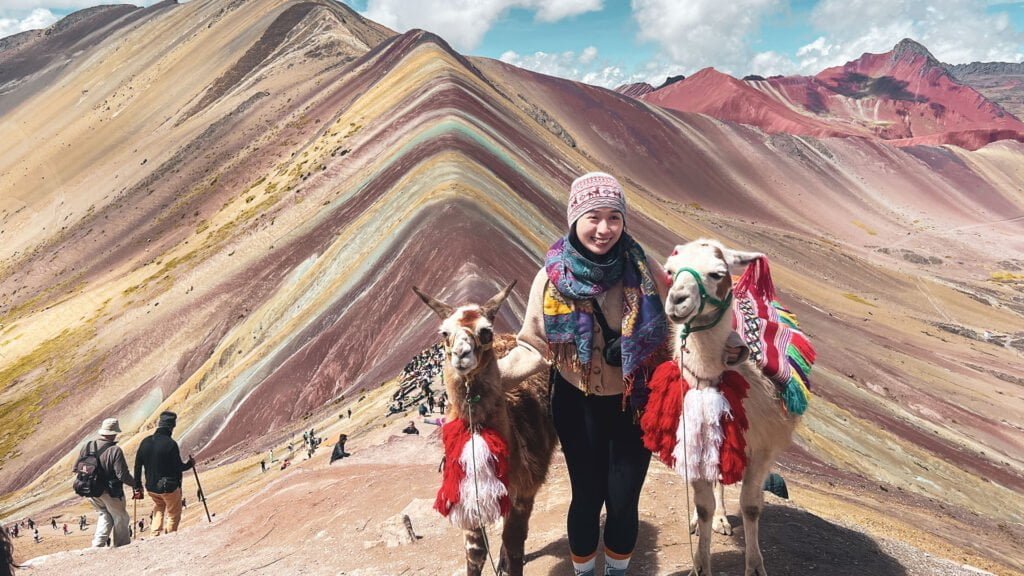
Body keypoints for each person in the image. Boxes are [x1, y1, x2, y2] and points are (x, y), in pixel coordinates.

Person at [498, 172, 672, 576]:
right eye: (594, 217)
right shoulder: (551, 279)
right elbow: (533, 347)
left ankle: (615, 572)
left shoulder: (645, 270)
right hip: (577, 405)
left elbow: (681, 321)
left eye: (615, 217)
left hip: (633, 404)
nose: (605, 228)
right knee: (588, 497)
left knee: (624, 498)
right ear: (575, 217)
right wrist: (485, 381)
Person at [76, 418, 136, 548]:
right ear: (114, 433)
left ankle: (97, 545)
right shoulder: (115, 450)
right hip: (110, 492)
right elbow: (122, 475)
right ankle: (122, 546)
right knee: (121, 517)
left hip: (90, 489)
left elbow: (78, 468)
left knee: (104, 514)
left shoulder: (87, 446)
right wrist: (135, 484)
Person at [133, 411, 194, 536]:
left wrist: (137, 486)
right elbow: (178, 467)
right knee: (173, 513)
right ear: (171, 427)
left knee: (159, 506)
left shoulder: (145, 442)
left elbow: (137, 466)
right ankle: (170, 536)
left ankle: (154, 535)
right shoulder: (170, 444)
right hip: (169, 487)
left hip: (151, 487)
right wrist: (190, 464)